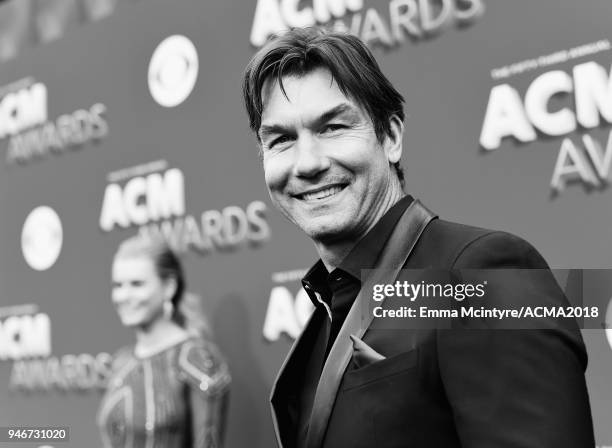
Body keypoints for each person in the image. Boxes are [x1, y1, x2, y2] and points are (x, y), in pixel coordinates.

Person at [242, 27, 595, 448]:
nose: (308, 163)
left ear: (390, 137)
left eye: (333, 127)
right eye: (282, 139)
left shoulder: (483, 272)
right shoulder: (326, 316)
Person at [97, 235, 231, 448]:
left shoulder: (197, 360)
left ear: (169, 286)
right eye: (118, 285)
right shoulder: (120, 362)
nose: (124, 296)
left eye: (137, 284)